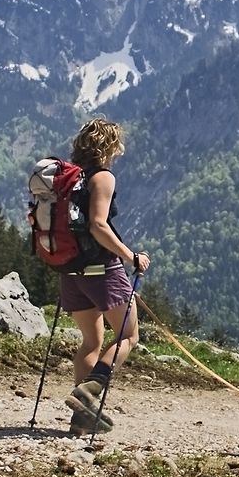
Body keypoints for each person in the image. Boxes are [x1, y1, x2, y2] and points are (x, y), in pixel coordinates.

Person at [60, 117, 150, 436]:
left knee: (92, 340)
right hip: (101, 270)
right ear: (109, 146)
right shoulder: (102, 178)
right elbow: (98, 225)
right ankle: (88, 392)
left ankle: (82, 418)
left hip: (70, 271)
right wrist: (131, 257)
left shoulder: (69, 178)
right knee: (128, 336)